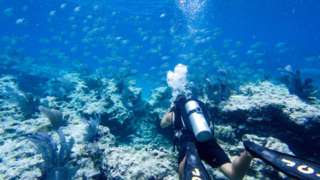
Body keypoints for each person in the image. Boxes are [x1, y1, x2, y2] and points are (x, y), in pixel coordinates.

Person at [161, 95, 252, 180]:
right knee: (234, 174)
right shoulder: (199, 109)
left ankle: (192, 161)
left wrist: (169, 111)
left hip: (188, 142)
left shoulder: (176, 111)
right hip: (207, 139)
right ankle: (248, 153)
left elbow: (162, 124)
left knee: (184, 169)